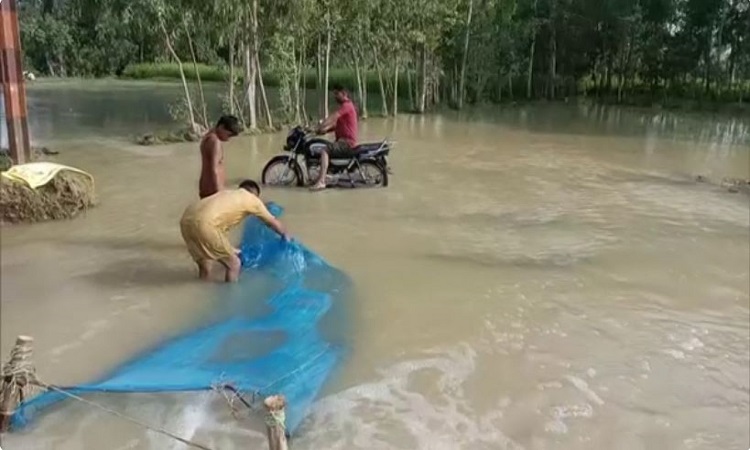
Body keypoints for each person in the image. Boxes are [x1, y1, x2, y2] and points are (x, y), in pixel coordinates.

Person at [180, 179, 290, 283]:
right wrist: (286, 237)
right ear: (255, 195)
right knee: (234, 264)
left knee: (206, 266)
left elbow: (219, 232)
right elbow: (272, 222)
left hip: (186, 220)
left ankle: (202, 288)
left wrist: (232, 250)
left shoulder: (228, 194)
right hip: (205, 224)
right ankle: (228, 296)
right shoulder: (251, 200)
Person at [310, 84, 359, 191]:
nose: (335, 96)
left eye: (337, 94)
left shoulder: (347, 106)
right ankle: (326, 175)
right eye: (334, 94)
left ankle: (322, 181)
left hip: (347, 143)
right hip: (344, 141)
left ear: (344, 94)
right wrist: (323, 130)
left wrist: (321, 124)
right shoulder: (347, 107)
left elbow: (334, 117)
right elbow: (337, 126)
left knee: (324, 150)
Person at [199, 115, 242, 199]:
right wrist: (219, 193)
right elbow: (214, 169)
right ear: (221, 127)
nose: (228, 139)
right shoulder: (215, 142)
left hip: (206, 188)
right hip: (213, 191)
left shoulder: (207, 138)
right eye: (229, 135)